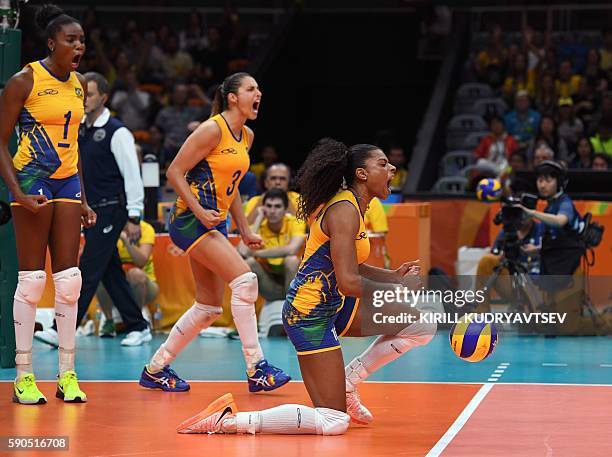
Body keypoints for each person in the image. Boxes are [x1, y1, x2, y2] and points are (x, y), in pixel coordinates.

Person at [175, 139, 436, 435]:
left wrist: (394, 276)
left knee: (421, 325)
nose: (391, 168)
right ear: (362, 174)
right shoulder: (344, 210)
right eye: (383, 163)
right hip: (309, 315)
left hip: (335, 303)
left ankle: (349, 382)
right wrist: (397, 290)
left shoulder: (355, 206)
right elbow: (350, 282)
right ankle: (228, 420)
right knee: (333, 422)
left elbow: (352, 266)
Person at [139, 72, 290, 393]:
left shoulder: (246, 136)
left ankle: (155, 369)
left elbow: (231, 186)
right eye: (251, 88)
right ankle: (257, 368)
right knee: (246, 281)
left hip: (213, 222)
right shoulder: (211, 129)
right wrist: (198, 210)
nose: (258, 93)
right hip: (188, 221)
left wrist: (246, 229)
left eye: (259, 88)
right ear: (233, 97)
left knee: (208, 308)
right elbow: (174, 172)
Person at [0, 4, 95, 404]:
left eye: (82, 41)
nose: (78, 47)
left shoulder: (77, 85)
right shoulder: (24, 80)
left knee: (70, 281)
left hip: (68, 181)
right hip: (32, 179)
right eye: (71, 40)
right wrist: (17, 193)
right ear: (52, 42)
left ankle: (66, 375)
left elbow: (72, 146)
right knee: (33, 279)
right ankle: (24, 375)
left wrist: (85, 200)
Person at [34, 71, 151, 348]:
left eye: (90, 94)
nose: (84, 99)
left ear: (105, 97)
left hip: (113, 209)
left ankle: (62, 328)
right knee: (109, 271)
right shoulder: (80, 129)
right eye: (81, 94)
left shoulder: (117, 131)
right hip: (91, 211)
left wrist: (134, 216)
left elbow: (133, 176)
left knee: (86, 268)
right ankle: (138, 324)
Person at [238, 188, 305, 302]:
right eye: (269, 206)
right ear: (263, 208)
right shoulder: (258, 226)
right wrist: (259, 219)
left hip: (292, 282)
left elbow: (291, 250)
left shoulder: (296, 222)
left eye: (277, 206)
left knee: (291, 260)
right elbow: (243, 251)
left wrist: (257, 253)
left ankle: (292, 303)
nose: (272, 211)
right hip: (269, 286)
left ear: (285, 209)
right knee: (249, 262)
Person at [97, 219, 159, 337]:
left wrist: (126, 240)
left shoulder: (146, 228)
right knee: (101, 274)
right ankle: (109, 322)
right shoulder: (110, 227)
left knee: (135, 274)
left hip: (146, 284)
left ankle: (137, 320)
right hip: (118, 282)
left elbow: (141, 261)